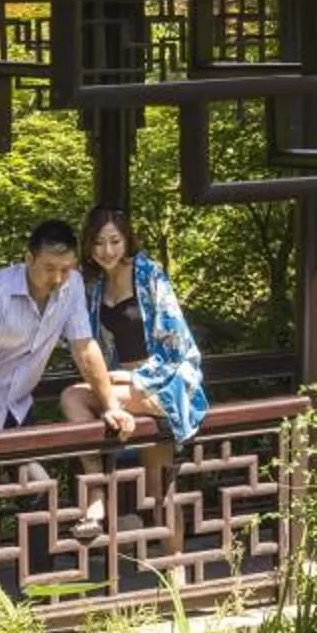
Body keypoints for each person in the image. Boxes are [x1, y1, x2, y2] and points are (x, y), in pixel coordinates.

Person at [0, 219, 140, 461]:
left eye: (66, 268)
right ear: (29, 258)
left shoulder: (72, 286)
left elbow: (84, 349)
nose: (58, 278)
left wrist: (111, 406)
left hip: (15, 405)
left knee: (36, 490)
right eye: (49, 268)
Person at [60, 205, 207, 482]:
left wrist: (134, 375)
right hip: (119, 386)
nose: (107, 251)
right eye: (98, 242)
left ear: (127, 240)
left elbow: (177, 343)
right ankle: (97, 484)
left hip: (163, 382)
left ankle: (105, 487)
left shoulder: (149, 275)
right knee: (72, 397)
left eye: (115, 241)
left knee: (159, 493)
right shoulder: (94, 286)